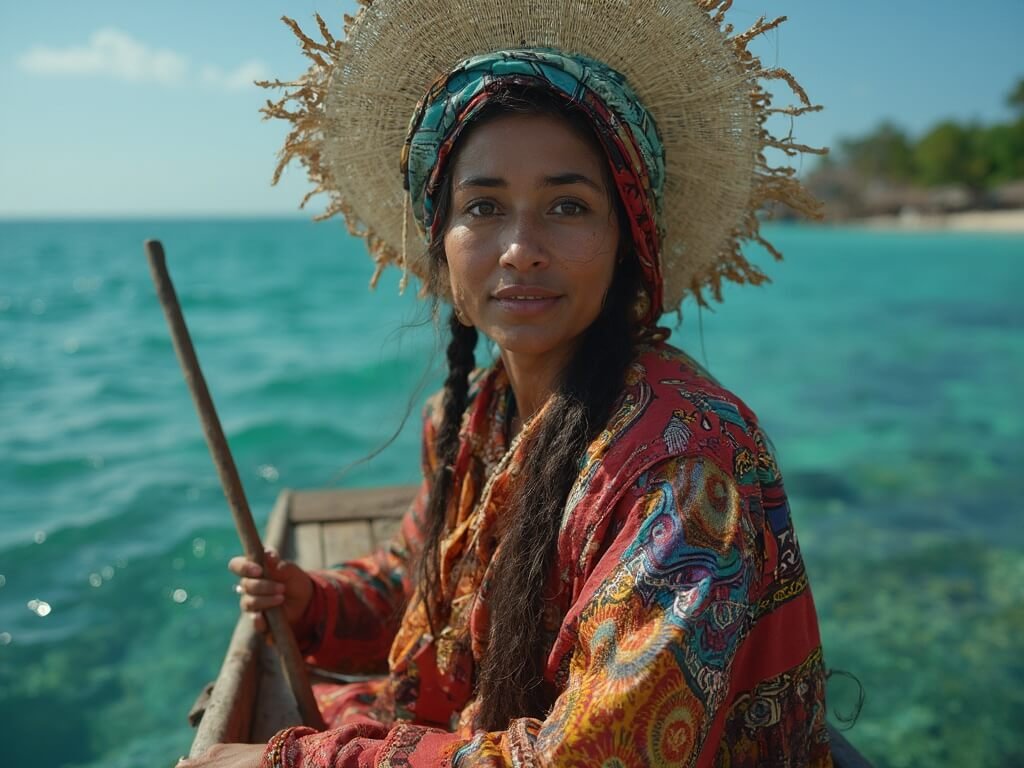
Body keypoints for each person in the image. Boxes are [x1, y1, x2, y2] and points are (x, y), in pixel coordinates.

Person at [181, 2, 832, 766]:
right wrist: (312, 601)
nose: (521, 249)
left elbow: (592, 758)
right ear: (443, 242)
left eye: (567, 206)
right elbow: (417, 580)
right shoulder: (471, 418)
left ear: (629, 242)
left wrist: (292, 761)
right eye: (483, 207)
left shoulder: (684, 471)